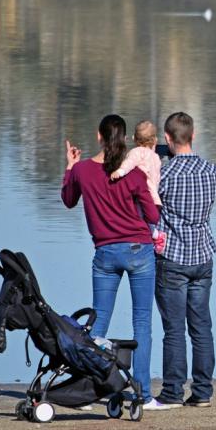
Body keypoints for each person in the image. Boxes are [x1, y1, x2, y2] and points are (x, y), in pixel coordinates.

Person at [60, 114, 169, 411]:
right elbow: (153, 216)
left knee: (97, 325)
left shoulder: (82, 171)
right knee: (142, 323)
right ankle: (144, 394)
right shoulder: (133, 174)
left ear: (98, 136)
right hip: (138, 250)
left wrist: (70, 167)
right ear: (124, 140)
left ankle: (88, 391)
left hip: (105, 254)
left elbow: (68, 200)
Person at [153, 112, 216, 408]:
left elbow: (151, 206)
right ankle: (203, 390)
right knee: (201, 326)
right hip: (203, 255)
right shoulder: (213, 171)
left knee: (174, 329)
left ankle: (172, 391)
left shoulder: (164, 175)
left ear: (167, 139)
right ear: (193, 136)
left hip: (173, 257)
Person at [110, 120, 163, 206]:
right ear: (155, 140)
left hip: (142, 194)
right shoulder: (155, 157)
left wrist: (120, 171)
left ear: (134, 138)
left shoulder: (136, 152)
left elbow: (129, 163)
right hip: (155, 197)